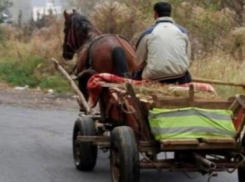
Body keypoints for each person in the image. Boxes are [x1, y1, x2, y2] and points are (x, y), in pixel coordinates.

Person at [133, 1, 192, 84]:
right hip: (179, 76)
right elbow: (187, 57)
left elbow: (137, 61)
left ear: (155, 14)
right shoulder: (183, 32)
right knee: (186, 73)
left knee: (135, 74)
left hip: (154, 77)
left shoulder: (147, 33)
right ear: (170, 13)